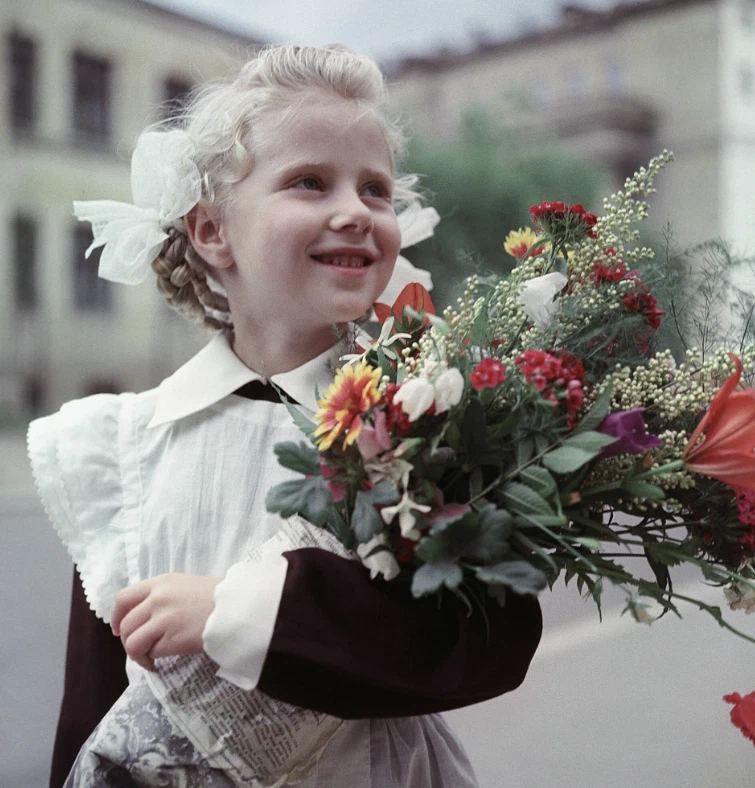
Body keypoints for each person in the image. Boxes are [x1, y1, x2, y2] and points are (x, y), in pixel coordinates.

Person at [30, 44, 542, 787]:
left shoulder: (427, 413)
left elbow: (487, 642)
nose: (353, 212)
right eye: (309, 181)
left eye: (375, 190)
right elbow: (94, 712)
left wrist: (237, 613)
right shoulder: (118, 446)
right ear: (211, 231)